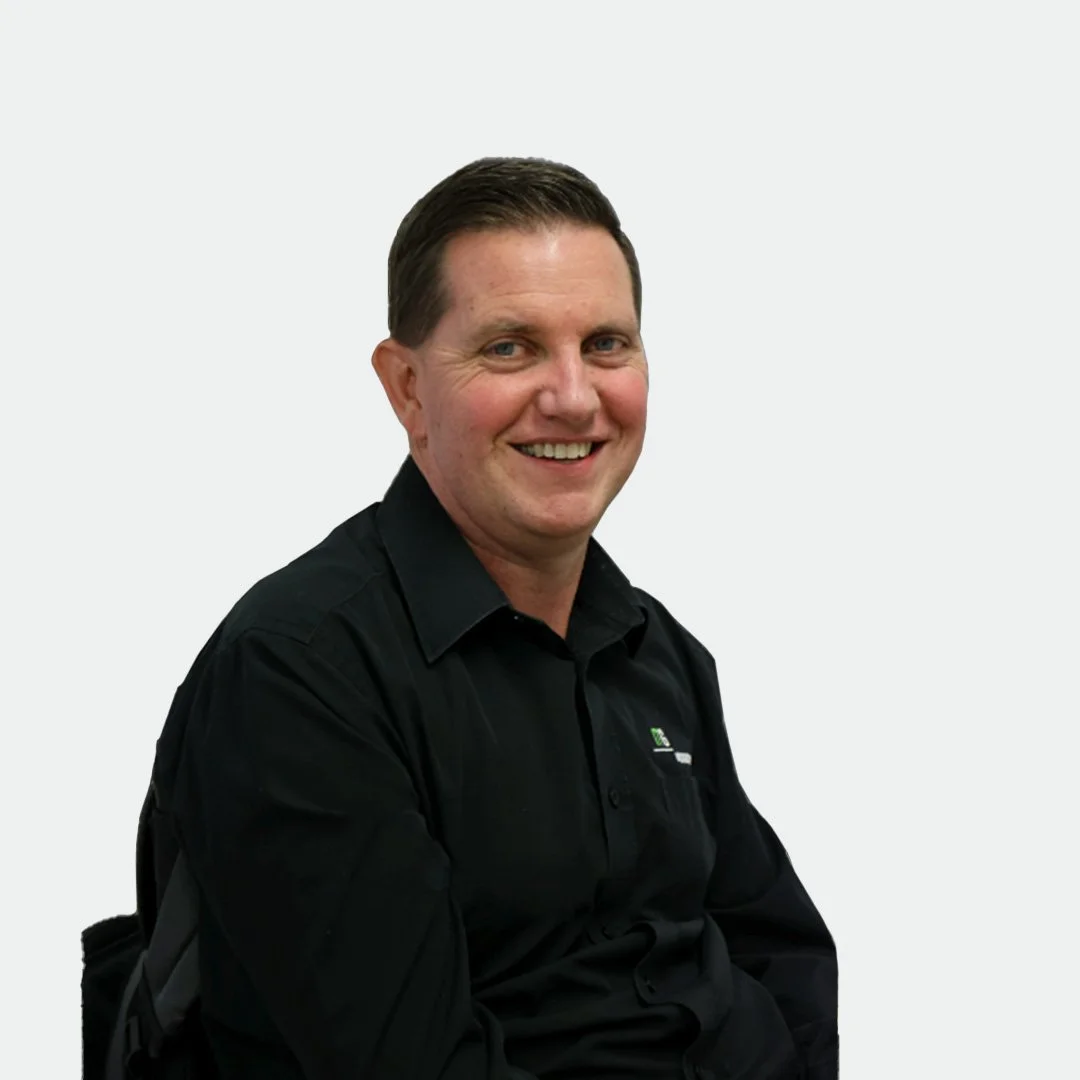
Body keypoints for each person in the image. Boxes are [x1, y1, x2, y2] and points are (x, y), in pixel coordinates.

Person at [152, 156, 839, 1079]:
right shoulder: (300, 674)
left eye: (606, 344)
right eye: (510, 348)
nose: (573, 396)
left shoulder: (659, 652)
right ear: (406, 388)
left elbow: (783, 952)